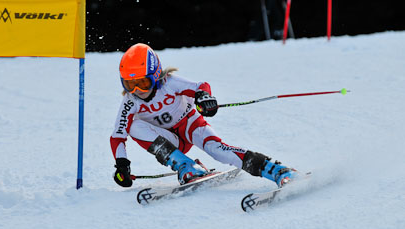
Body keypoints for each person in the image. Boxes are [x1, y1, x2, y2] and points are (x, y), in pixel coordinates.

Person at [110, 43, 297, 188]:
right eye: (129, 84)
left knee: (218, 150)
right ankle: (187, 166)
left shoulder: (170, 83)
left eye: (143, 83)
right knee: (133, 126)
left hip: (192, 126)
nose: (137, 90)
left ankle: (278, 171)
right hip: (168, 143)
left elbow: (200, 86)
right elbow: (118, 136)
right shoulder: (130, 101)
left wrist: (204, 98)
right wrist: (121, 164)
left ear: (156, 74)